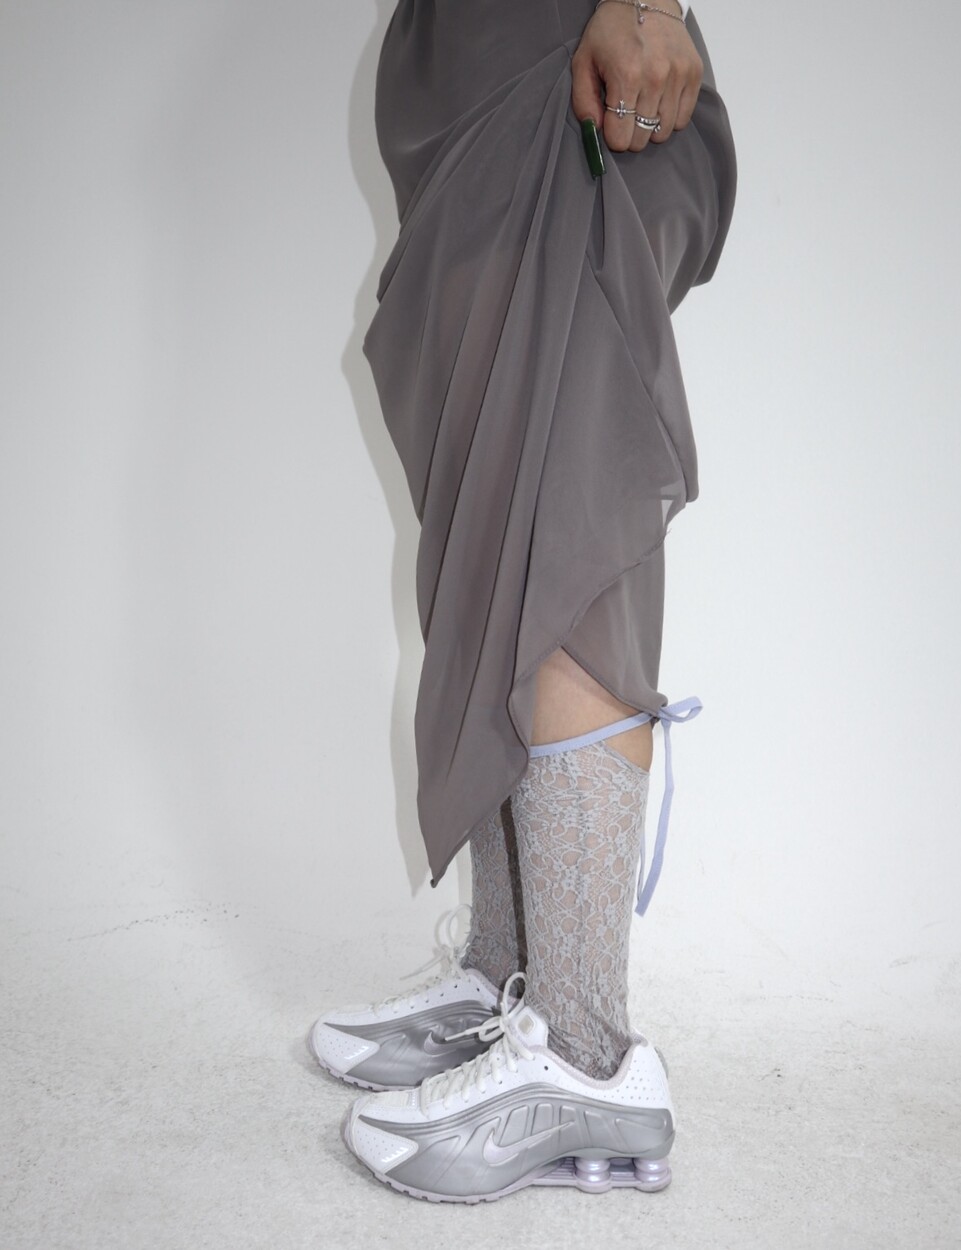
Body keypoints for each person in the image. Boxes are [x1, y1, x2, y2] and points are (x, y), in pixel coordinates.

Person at [311, 0, 737, 1202]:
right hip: (471, 101)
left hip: (576, 73)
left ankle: (585, 1051)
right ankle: (513, 974)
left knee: (561, 534)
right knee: (496, 544)